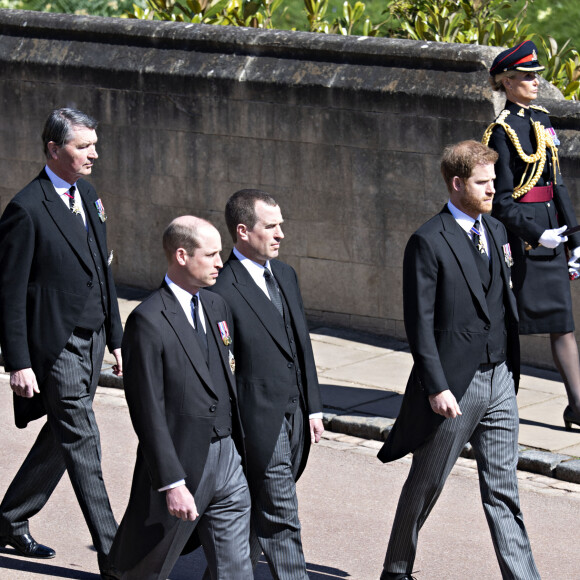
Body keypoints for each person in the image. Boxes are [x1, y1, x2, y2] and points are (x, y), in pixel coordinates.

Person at [377, 141, 540, 580]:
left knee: (504, 491)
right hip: (454, 387)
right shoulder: (428, 241)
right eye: (483, 183)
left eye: (493, 181)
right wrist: (436, 386)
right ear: (456, 184)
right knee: (426, 484)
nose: (493, 190)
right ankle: (396, 570)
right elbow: (420, 324)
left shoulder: (499, 232)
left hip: (501, 378)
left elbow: (505, 298)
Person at [0, 108, 123, 579]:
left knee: (63, 435)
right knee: (84, 441)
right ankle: (117, 557)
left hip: (92, 340)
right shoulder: (26, 209)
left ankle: (10, 518)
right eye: (83, 146)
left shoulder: (87, 194)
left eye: (94, 144)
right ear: (54, 150)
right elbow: (9, 295)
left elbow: (102, 268)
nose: (94, 154)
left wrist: (115, 335)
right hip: (57, 346)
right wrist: (19, 361)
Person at [109, 216, 252, 580]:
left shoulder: (218, 307)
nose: (221, 262)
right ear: (182, 255)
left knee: (235, 569)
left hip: (228, 459)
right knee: (147, 568)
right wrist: (172, 483)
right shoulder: (148, 320)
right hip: (183, 463)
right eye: (212, 254)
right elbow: (148, 412)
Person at [211, 189, 324, 580]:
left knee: (263, 509)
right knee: (281, 514)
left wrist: (315, 406)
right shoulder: (222, 289)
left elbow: (301, 344)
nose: (280, 234)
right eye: (270, 226)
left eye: (281, 226)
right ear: (243, 231)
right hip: (259, 420)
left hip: (296, 414)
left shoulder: (286, 275)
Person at [483, 40, 580, 431]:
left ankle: (577, 405)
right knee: (511, 328)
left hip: (552, 235)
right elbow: (501, 202)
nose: (535, 82)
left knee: (563, 324)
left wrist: (574, 239)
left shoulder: (540, 120)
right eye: (526, 77)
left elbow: (558, 184)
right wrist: (538, 233)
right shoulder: (500, 132)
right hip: (525, 241)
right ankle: (498, 406)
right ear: (506, 83)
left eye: (536, 76)